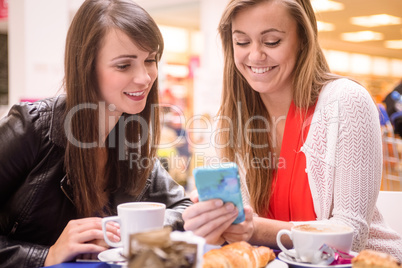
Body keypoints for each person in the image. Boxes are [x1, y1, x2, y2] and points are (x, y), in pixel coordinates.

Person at [182, 0, 402, 261]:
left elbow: (351, 236)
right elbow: (237, 229)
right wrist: (215, 225)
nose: (254, 55)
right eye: (242, 42)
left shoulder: (347, 102)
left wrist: (255, 229)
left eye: (272, 41)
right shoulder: (231, 121)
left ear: (303, 40)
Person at [0, 0, 192, 267]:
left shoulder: (131, 140)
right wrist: (45, 256)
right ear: (86, 68)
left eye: (150, 60)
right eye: (124, 65)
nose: (145, 77)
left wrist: (133, 230)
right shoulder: (33, 128)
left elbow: (183, 209)